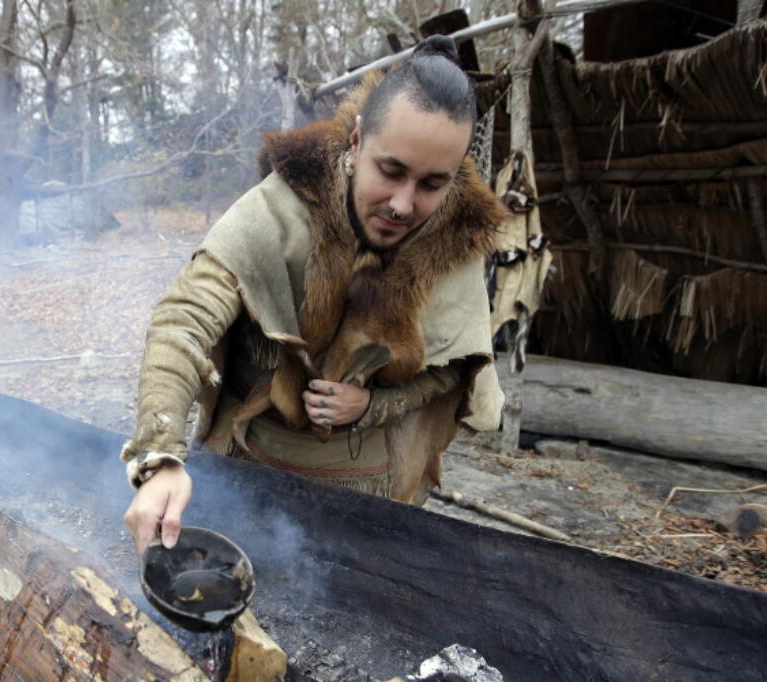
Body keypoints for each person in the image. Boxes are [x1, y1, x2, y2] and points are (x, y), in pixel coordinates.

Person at [122, 35, 507, 553]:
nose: (401, 204)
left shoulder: (455, 240)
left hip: (365, 492)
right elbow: (185, 317)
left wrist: (372, 405)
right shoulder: (281, 205)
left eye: (431, 185)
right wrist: (160, 457)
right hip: (243, 469)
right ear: (355, 142)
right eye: (390, 171)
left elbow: (450, 373)